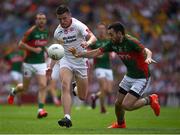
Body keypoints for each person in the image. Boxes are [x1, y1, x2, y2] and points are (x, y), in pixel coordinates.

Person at [69, 22, 160, 128]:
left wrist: (148, 57)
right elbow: (97, 52)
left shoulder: (131, 41)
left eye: (111, 34)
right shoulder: (112, 44)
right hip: (129, 76)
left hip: (141, 78)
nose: (110, 37)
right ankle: (121, 124)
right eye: (109, 34)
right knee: (118, 104)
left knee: (126, 105)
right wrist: (78, 54)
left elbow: (146, 50)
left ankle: (150, 99)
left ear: (120, 33)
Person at [47, 5, 97, 128]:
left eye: (64, 18)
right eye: (59, 19)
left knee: (82, 96)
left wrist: (88, 43)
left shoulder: (78, 25)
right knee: (64, 85)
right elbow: (57, 51)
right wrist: (50, 67)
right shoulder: (58, 32)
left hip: (81, 61)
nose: (62, 21)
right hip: (66, 60)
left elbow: (93, 37)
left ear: (70, 16)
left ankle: (76, 88)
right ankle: (67, 117)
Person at [8, 13, 49, 118]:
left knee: (43, 85)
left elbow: (42, 44)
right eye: (39, 19)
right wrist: (33, 49)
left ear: (45, 20)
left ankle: (40, 110)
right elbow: (20, 44)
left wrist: (47, 50)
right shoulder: (31, 31)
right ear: (36, 20)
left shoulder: (46, 31)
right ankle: (14, 91)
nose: (41, 21)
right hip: (28, 63)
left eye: (43, 19)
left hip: (41, 63)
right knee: (25, 88)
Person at [89, 23, 114, 113]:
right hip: (99, 67)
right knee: (103, 88)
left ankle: (95, 96)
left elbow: (113, 50)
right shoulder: (95, 41)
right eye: (99, 29)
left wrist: (112, 54)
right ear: (97, 30)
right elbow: (88, 51)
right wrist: (95, 56)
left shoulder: (109, 40)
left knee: (109, 90)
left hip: (108, 67)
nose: (101, 30)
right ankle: (102, 108)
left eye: (103, 28)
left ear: (106, 30)